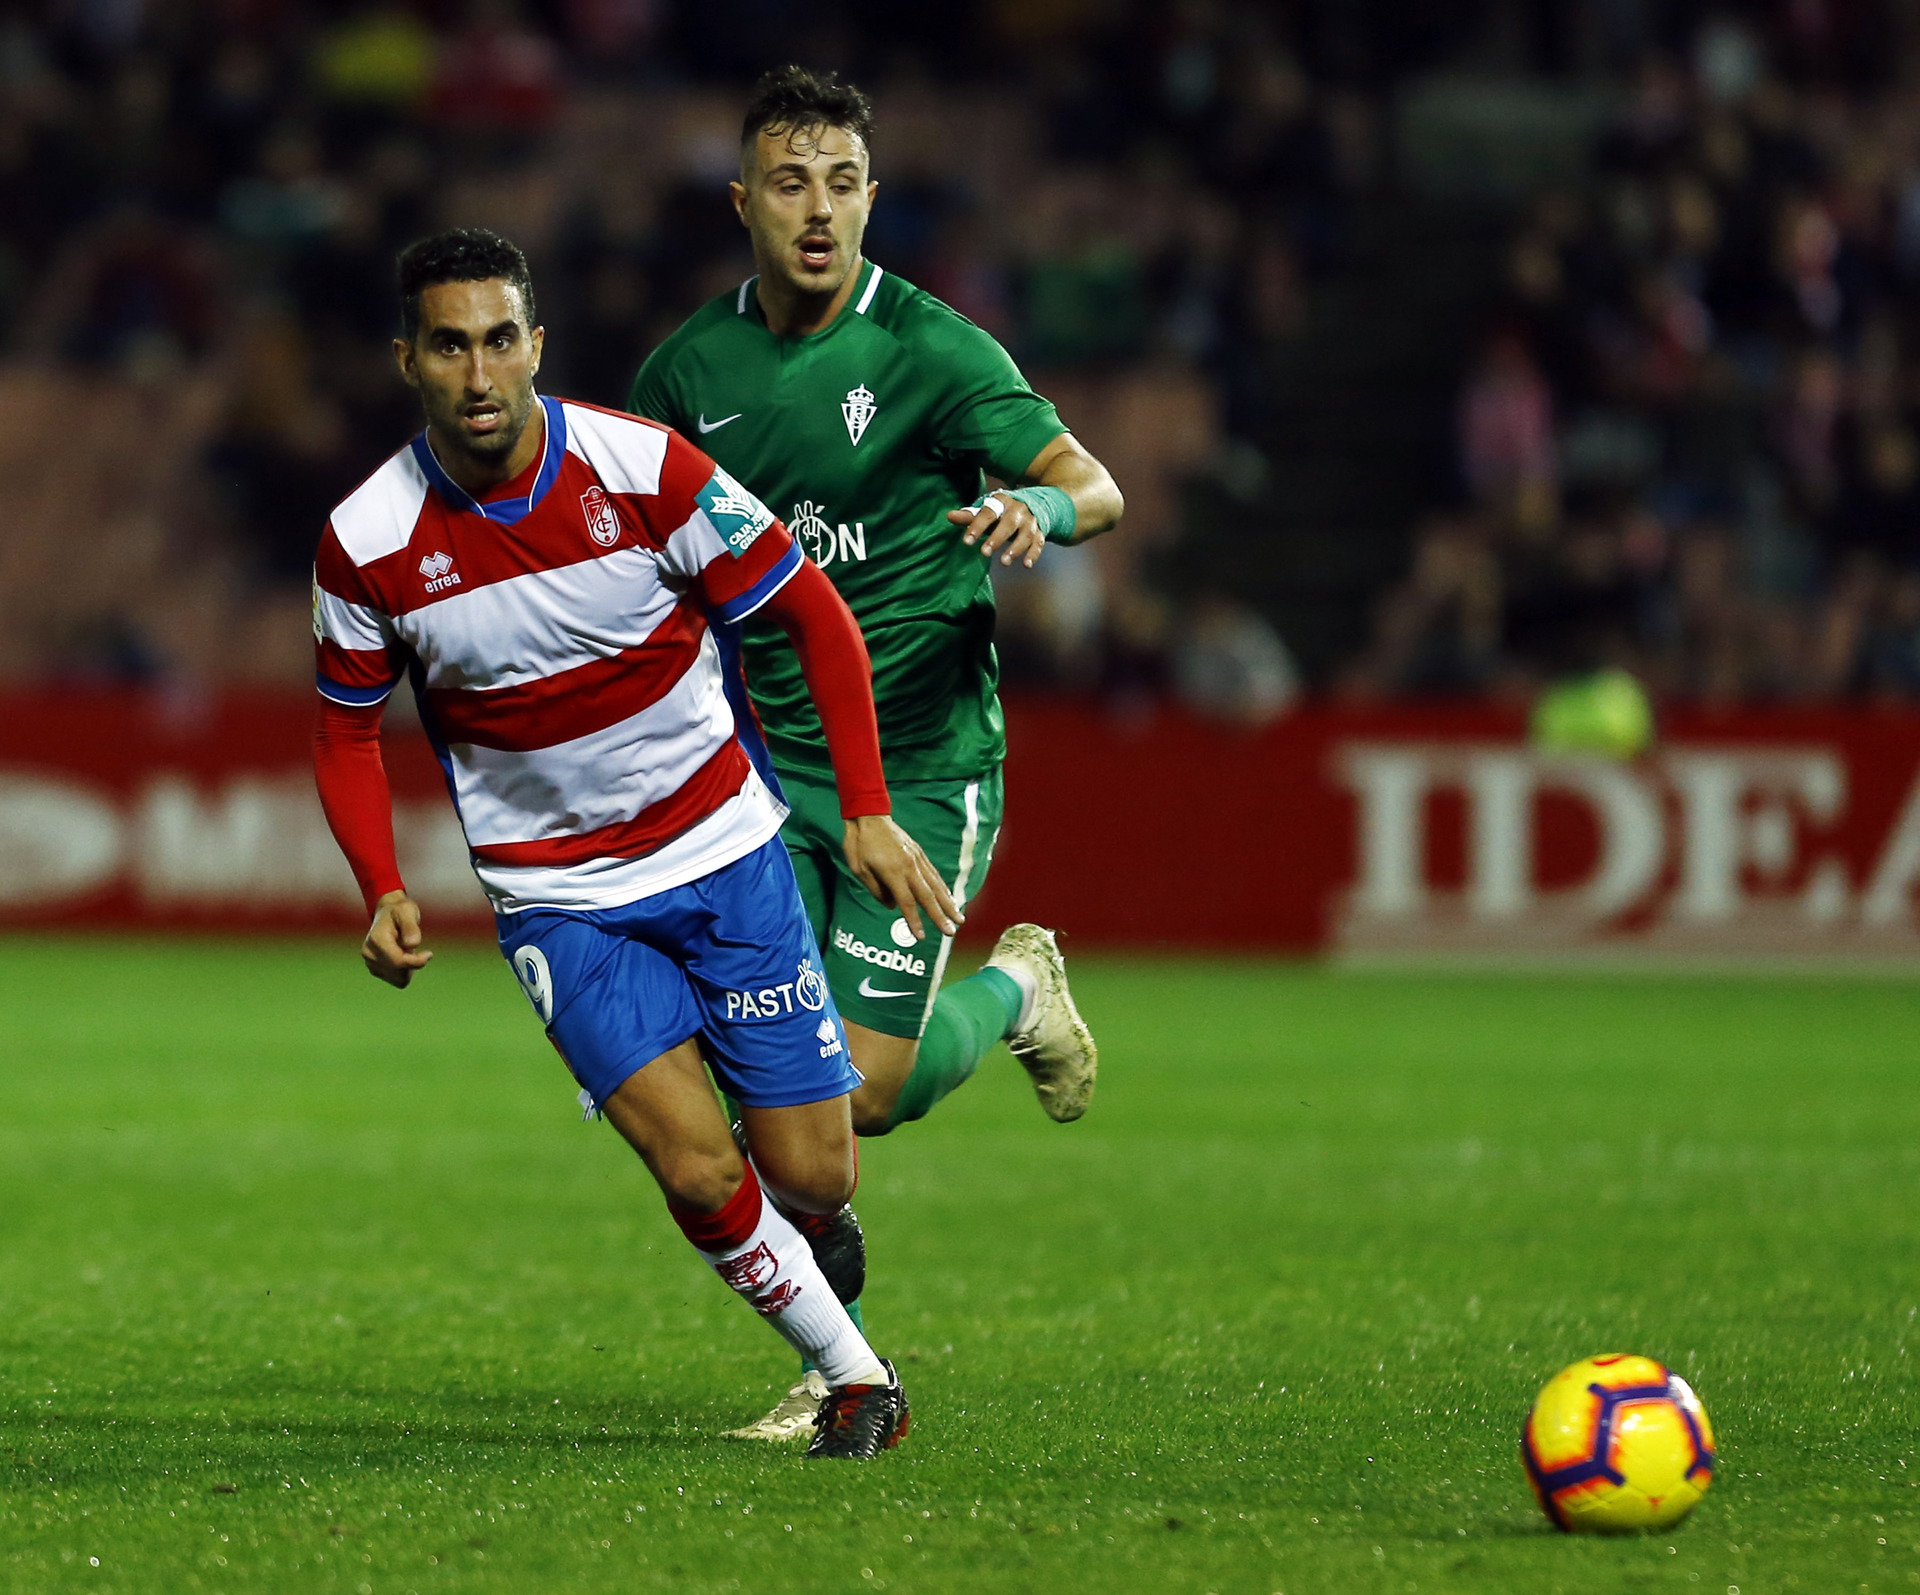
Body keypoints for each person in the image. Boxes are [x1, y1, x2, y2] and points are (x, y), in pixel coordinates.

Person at [310, 227, 961, 1460]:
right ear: (409, 361)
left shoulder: (646, 468)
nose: (481, 370)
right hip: (560, 902)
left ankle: (804, 1225)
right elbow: (345, 730)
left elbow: (815, 617)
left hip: (725, 858)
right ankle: (858, 1376)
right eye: (450, 345)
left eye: (501, 339)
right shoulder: (367, 539)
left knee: (815, 1173)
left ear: (537, 344)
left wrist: (866, 805)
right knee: (697, 1169)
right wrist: (381, 884)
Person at [629, 65, 1126, 1440]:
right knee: (773, 1086)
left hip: (923, 759)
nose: (819, 209)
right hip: (764, 770)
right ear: (743, 202)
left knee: (866, 1091)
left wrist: (1034, 503)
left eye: (844, 182)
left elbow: (1099, 484)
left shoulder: (933, 349)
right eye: (791, 181)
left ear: (872, 200)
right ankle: (829, 1358)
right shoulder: (685, 374)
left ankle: (1017, 989)